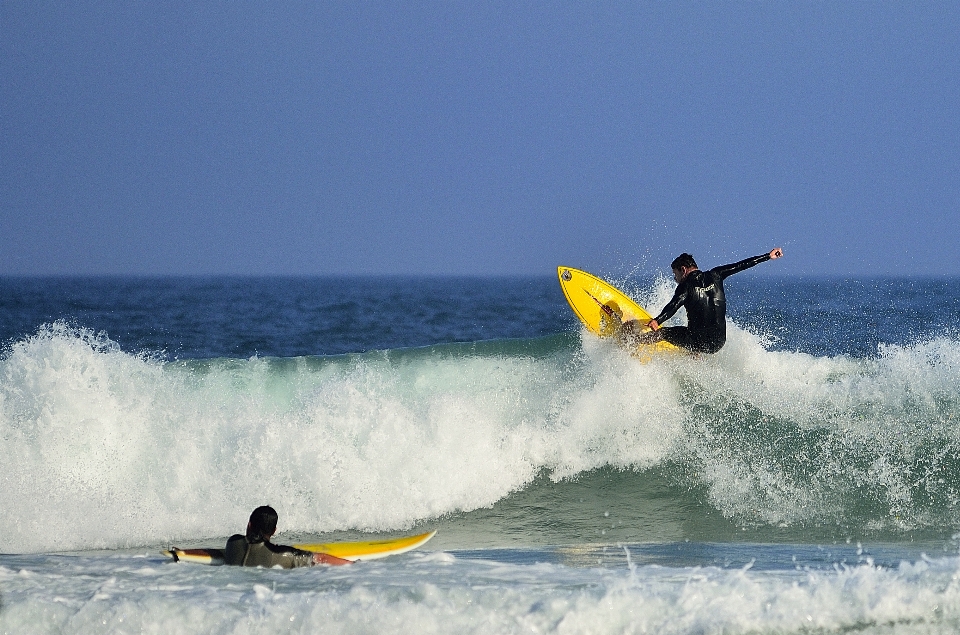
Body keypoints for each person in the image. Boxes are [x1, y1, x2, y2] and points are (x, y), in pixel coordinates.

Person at [621, 248, 783, 354]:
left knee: (663, 333)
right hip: (719, 342)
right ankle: (694, 358)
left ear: (683, 270)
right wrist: (767, 257)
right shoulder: (716, 274)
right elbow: (741, 265)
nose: (675, 278)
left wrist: (657, 320)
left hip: (699, 341)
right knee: (697, 330)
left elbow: (673, 306)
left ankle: (632, 344)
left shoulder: (685, 286)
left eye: (675, 274)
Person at [224, 505, 351, 568]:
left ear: (250, 524)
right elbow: (319, 559)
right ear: (274, 531)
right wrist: (355, 564)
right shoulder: (283, 555)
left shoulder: (232, 542)